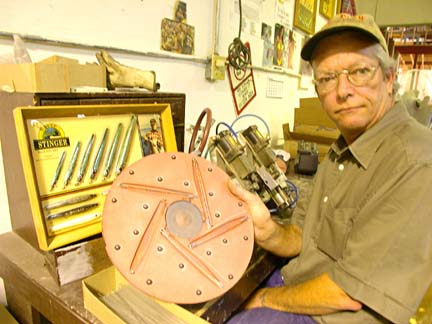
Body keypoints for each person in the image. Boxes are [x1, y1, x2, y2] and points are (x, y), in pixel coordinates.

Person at [227, 13, 432, 324]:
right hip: (301, 283)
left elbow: (346, 293)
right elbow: (302, 238)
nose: (342, 90)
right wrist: (268, 231)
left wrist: (261, 299)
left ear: (389, 78)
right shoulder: (343, 148)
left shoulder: (415, 161)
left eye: (360, 72)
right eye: (327, 78)